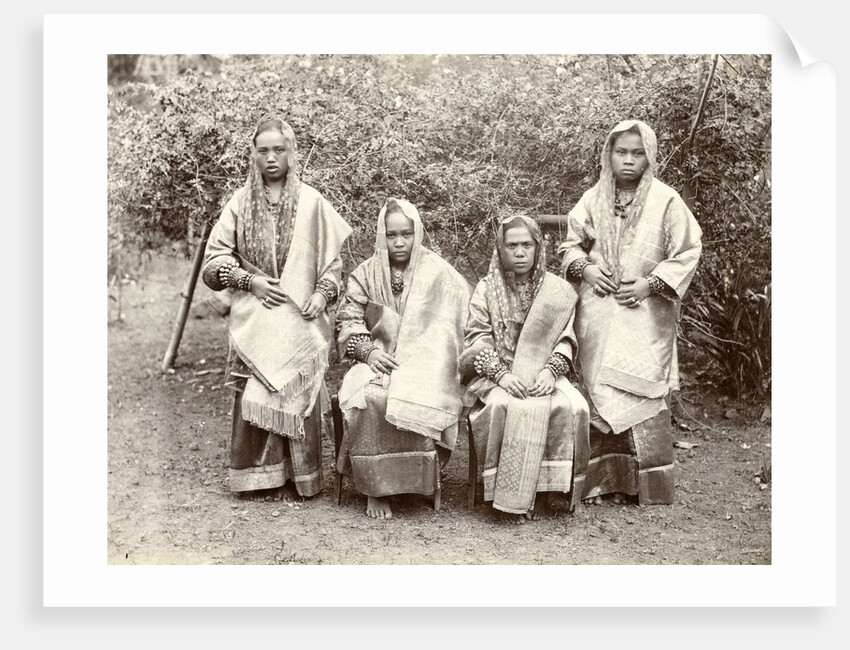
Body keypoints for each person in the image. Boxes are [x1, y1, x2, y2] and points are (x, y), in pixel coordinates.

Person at [202, 113, 352, 504]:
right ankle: (258, 478)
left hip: (299, 316)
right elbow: (213, 263)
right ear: (252, 155)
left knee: (297, 391)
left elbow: (333, 265)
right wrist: (247, 280)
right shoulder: (239, 202)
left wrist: (321, 294)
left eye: (279, 150)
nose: (271, 158)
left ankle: (301, 478)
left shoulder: (313, 202)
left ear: (292, 153)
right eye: (263, 150)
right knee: (257, 390)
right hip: (256, 314)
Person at [558, 119, 702, 506]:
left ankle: (643, 487)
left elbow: (689, 250)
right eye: (621, 152)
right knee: (599, 390)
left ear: (649, 157)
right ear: (609, 154)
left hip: (645, 317)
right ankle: (600, 484)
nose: (629, 160)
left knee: (641, 394)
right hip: (599, 313)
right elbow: (570, 246)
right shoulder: (592, 199)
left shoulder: (667, 201)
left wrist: (649, 285)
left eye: (638, 153)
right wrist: (586, 269)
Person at [335, 199, 470, 520]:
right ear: (381, 235)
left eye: (406, 234)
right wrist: (369, 352)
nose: (399, 242)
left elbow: (458, 323)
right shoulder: (365, 273)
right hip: (375, 361)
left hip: (426, 364)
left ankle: (418, 482)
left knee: (421, 394)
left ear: (417, 233)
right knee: (370, 397)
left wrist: (428, 356)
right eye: (391, 235)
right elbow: (347, 319)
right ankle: (375, 489)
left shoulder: (439, 273)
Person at [460, 215, 590, 522]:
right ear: (501, 250)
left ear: (538, 248)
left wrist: (551, 371)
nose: (520, 252)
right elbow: (476, 337)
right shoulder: (486, 289)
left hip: (544, 375)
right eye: (512, 245)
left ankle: (548, 491)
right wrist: (501, 375)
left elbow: (566, 337)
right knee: (502, 407)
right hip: (496, 376)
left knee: (573, 407)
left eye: (526, 245)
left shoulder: (557, 291)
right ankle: (507, 494)